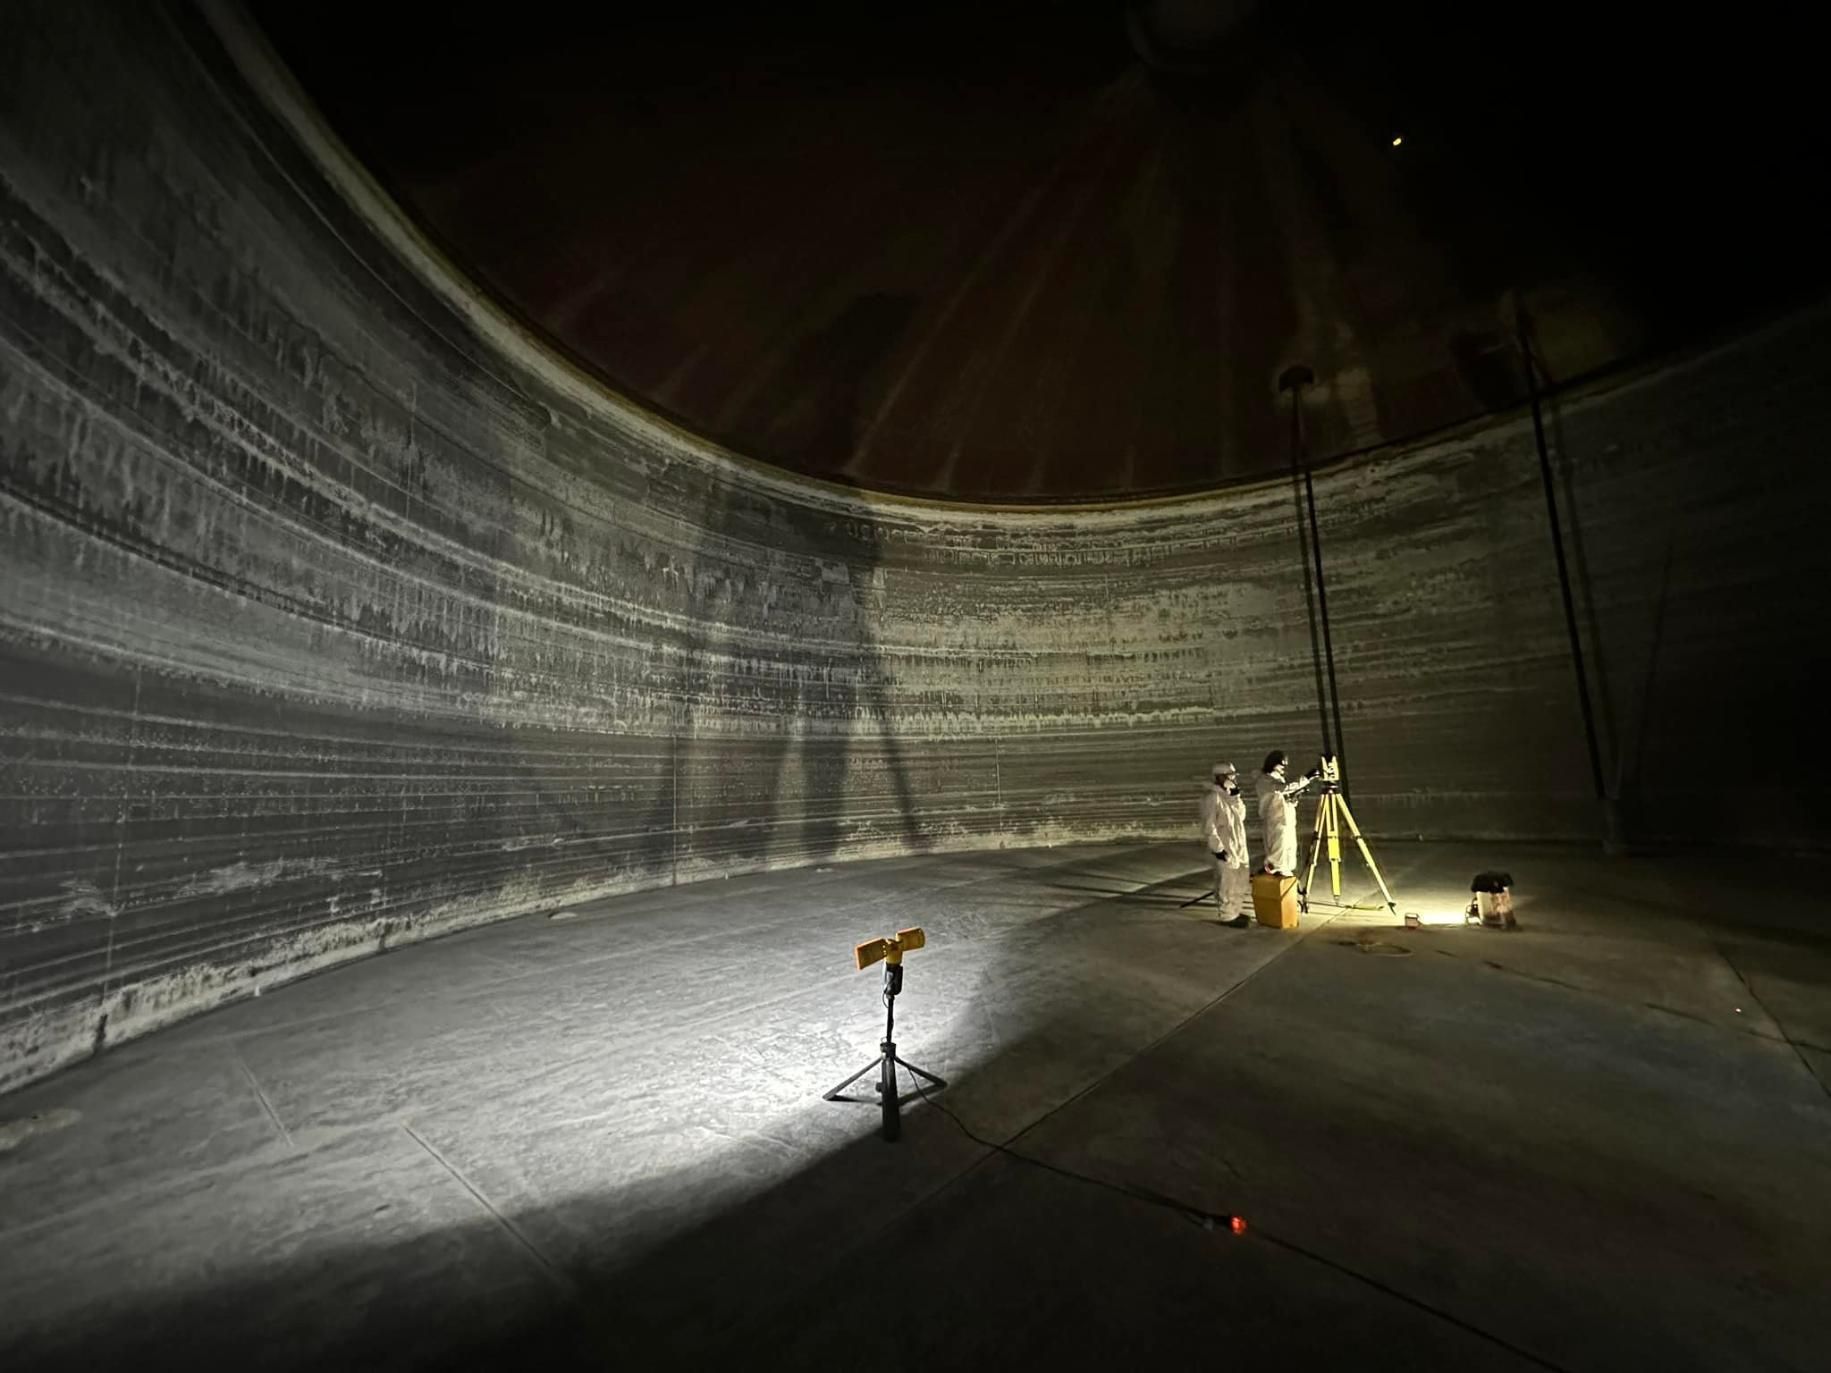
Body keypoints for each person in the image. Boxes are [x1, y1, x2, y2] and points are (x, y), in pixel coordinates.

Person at [1199, 762, 1252, 928]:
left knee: (1240, 878)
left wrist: (1236, 796)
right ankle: (1227, 915)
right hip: (1225, 845)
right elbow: (1209, 826)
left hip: (1238, 844)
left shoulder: (1228, 796)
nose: (1234, 778)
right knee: (1226, 881)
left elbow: (1241, 816)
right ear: (1220, 777)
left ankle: (1235, 910)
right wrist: (1218, 849)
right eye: (1230, 775)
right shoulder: (1212, 798)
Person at [1255, 750, 1321, 877]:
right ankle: (1275, 872)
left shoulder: (1277, 779)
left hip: (1285, 821)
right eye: (1281, 764)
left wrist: (1292, 800)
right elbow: (1283, 789)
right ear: (1272, 764)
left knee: (1289, 849)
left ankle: (1285, 875)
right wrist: (1306, 778)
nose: (1284, 767)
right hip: (1276, 822)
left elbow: (1280, 799)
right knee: (1278, 850)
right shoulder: (1264, 780)